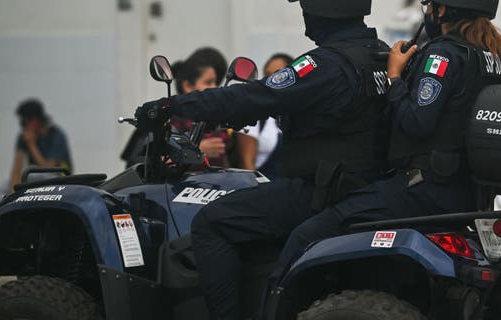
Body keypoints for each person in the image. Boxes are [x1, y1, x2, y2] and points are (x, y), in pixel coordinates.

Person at [136, 0, 390, 318]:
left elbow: (252, 97)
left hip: (324, 191)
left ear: (324, 11)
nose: (304, 16)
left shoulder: (325, 64)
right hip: (366, 189)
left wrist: (171, 106)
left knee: (211, 223)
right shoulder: (380, 54)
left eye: (306, 7)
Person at [271, 0, 501, 287]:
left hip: (425, 189)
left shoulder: (443, 55)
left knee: (307, 234)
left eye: (430, 6)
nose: (427, 13)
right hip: (472, 194)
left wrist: (394, 77)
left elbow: (416, 121)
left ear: (444, 11)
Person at [234, 53, 293, 178]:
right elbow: (247, 165)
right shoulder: (254, 115)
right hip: (265, 189)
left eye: (278, 75)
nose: (271, 80)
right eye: (267, 75)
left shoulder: (296, 113)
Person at [9, 99, 72, 189]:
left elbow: (48, 169)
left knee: (32, 176)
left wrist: (31, 145)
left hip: (60, 181)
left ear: (34, 120)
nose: (23, 126)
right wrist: (12, 192)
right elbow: (16, 170)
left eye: (24, 122)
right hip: (36, 180)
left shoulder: (56, 135)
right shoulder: (23, 137)